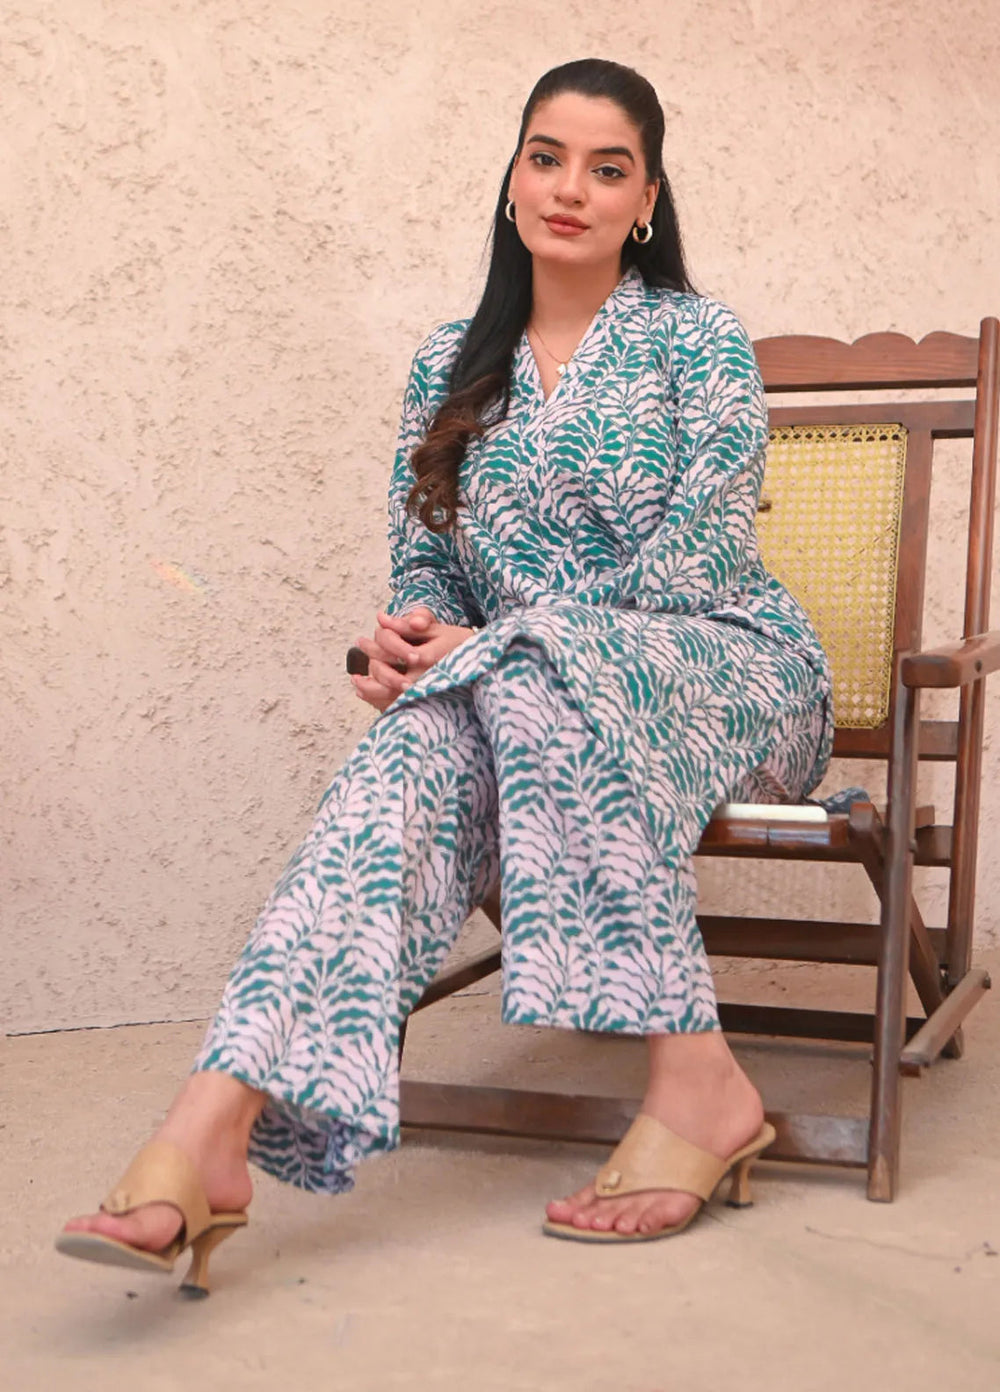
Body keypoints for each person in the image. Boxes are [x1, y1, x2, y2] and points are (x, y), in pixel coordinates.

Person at [57, 57, 832, 1289]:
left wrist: (503, 642)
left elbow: (700, 562)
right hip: (529, 696)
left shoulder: (697, 341)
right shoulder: (447, 364)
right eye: (545, 156)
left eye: (606, 168)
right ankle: (209, 1125)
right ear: (512, 176)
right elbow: (427, 565)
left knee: (530, 666)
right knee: (416, 743)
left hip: (725, 672)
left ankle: (695, 1081)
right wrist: (415, 642)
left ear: (645, 200)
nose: (568, 187)